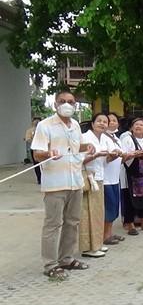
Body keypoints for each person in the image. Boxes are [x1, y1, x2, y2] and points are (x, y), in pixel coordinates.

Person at [31, 91, 96, 280]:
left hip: (75, 181)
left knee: (72, 222)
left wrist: (88, 147)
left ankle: (66, 259)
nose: (67, 104)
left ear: (75, 106)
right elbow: (37, 154)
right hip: (55, 184)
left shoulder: (75, 125)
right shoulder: (45, 126)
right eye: (62, 101)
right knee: (53, 224)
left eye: (70, 102)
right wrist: (49, 153)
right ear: (55, 104)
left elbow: (77, 148)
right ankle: (50, 264)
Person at [79, 113, 115, 258]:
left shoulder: (105, 139)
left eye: (105, 122)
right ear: (92, 123)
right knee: (88, 213)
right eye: (99, 121)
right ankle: (88, 247)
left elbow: (106, 161)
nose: (102, 123)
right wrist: (95, 155)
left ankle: (97, 244)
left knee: (98, 213)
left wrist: (113, 155)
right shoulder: (84, 138)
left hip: (99, 178)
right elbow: (79, 161)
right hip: (88, 178)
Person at [102, 112, 126, 244]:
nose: (111, 123)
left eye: (114, 120)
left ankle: (110, 232)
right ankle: (105, 235)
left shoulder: (116, 138)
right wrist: (115, 156)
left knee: (115, 206)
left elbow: (120, 159)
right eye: (108, 120)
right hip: (105, 178)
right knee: (109, 206)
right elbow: (106, 158)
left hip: (115, 177)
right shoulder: (101, 138)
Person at [25, 117, 42, 184]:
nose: (37, 122)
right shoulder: (30, 131)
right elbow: (27, 139)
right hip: (34, 149)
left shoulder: (44, 130)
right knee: (36, 164)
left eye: (38, 121)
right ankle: (39, 178)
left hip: (43, 149)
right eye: (35, 121)